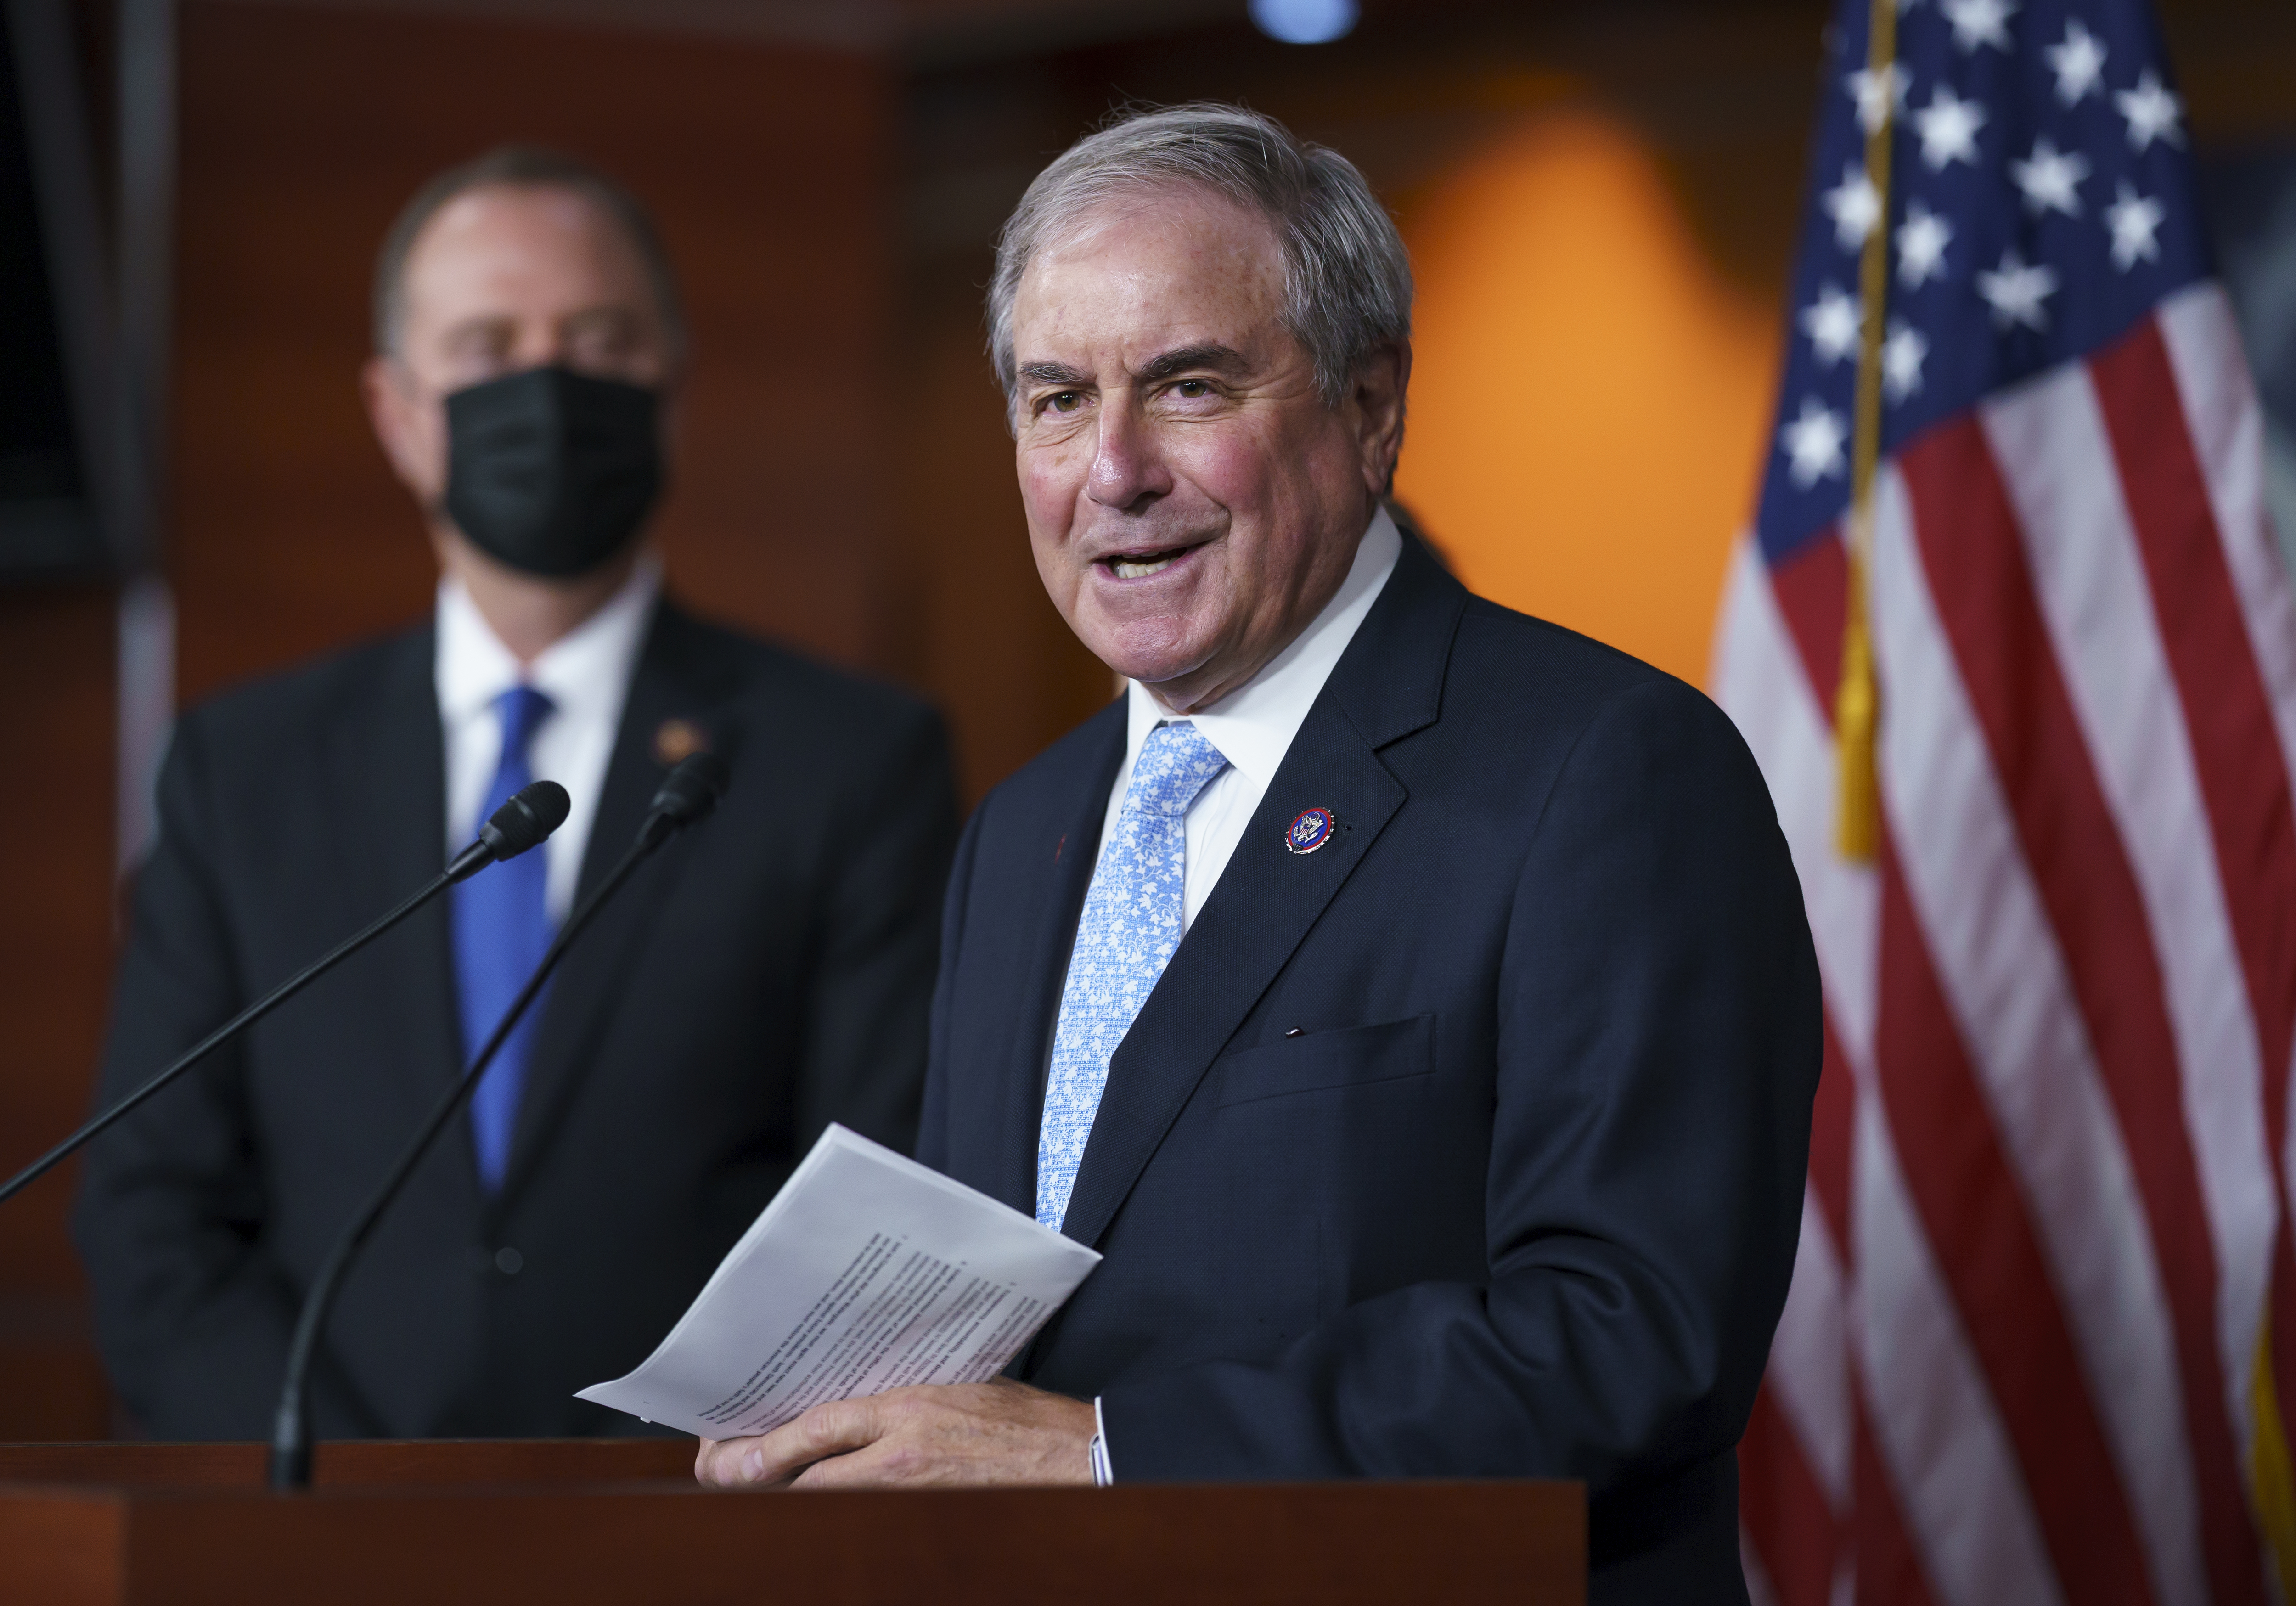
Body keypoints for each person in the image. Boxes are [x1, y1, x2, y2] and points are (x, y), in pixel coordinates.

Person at [693, 105, 1819, 1602]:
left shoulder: (1609, 771)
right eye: (1056, 400)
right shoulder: (1023, 827)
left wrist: (1110, 1452)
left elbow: (1632, 1333)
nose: (1114, 470)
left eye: (1188, 385)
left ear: (1371, 407)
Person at [74, 147, 959, 1440]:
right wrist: (330, 1492)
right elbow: (152, 1208)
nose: (545, 390)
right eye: (486, 347)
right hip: (311, 1515)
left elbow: (876, 1204)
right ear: (396, 413)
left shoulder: (855, 761)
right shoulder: (242, 768)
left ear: (671, 391)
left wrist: (651, 1501)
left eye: (598, 343)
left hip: (690, 1511)